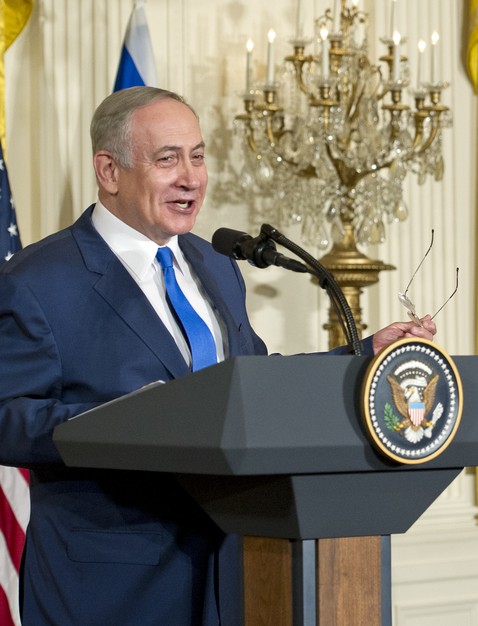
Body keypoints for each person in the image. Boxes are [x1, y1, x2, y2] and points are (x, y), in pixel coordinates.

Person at [0, 86, 436, 625]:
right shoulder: (39, 280)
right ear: (109, 172)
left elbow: (249, 385)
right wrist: (123, 422)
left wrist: (363, 355)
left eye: (198, 156)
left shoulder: (214, 264)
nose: (192, 177)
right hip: (111, 584)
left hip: (236, 568)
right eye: (168, 159)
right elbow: (6, 419)